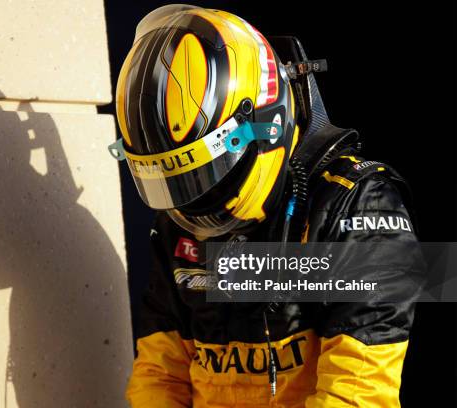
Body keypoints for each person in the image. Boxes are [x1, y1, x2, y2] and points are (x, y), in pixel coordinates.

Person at [110, 5, 422, 407]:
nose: (193, 198)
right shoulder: (181, 217)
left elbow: (355, 394)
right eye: (179, 182)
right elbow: (159, 375)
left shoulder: (359, 206)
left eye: (203, 175)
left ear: (265, 126)